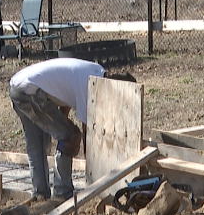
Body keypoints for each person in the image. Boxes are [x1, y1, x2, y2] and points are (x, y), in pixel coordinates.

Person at [8, 57, 135, 201]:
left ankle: (40, 195)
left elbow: (65, 96)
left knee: (36, 144)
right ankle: (62, 194)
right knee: (71, 136)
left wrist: (59, 128)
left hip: (18, 86)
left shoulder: (96, 71)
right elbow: (89, 134)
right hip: (30, 92)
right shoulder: (90, 87)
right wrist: (93, 172)